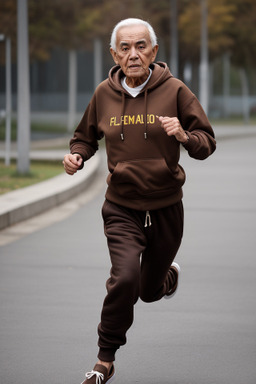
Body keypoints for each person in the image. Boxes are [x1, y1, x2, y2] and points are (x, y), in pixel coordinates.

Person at [63, 18, 216, 384]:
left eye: (141, 46)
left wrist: (184, 135)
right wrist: (77, 156)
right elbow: (84, 137)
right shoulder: (103, 93)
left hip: (165, 207)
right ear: (114, 54)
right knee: (125, 277)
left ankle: (166, 277)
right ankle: (105, 360)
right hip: (121, 207)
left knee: (148, 292)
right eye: (126, 48)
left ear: (154, 51)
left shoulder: (175, 90)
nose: (134, 54)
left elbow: (206, 143)